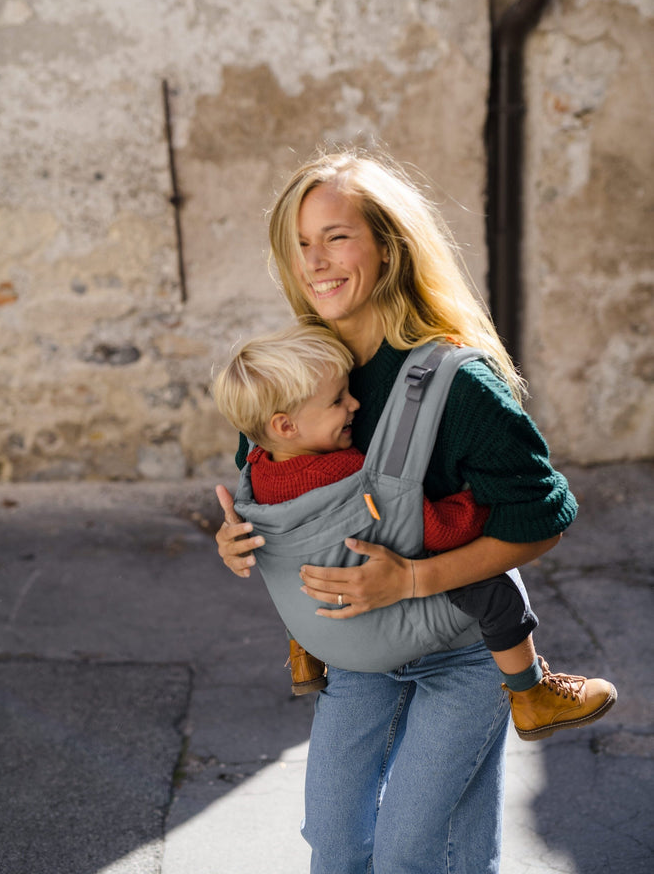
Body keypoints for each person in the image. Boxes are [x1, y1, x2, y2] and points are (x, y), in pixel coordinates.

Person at [214, 150, 616, 874]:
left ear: (388, 246)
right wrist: (236, 538)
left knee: (416, 854)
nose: (316, 261)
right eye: (301, 243)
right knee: (334, 846)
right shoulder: (299, 370)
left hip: (462, 654)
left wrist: (410, 581)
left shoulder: (459, 384)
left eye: (337, 236)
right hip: (359, 659)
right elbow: (269, 483)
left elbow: (541, 516)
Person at [212, 322, 616, 739]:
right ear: (285, 426)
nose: (354, 404)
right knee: (497, 590)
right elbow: (432, 528)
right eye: (338, 400)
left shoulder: (257, 464)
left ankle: (304, 656)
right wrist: (478, 506)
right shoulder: (344, 469)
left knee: (300, 558)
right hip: (377, 623)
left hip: (317, 623)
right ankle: (532, 696)